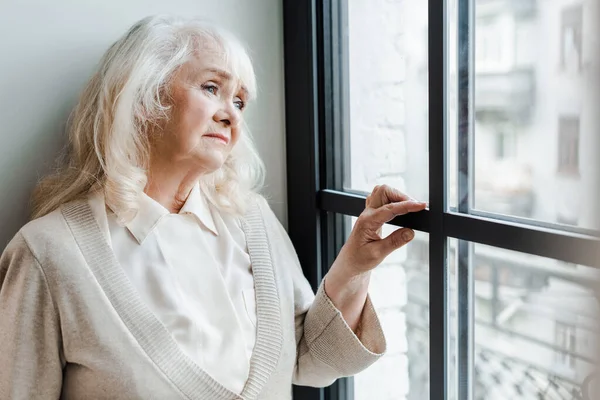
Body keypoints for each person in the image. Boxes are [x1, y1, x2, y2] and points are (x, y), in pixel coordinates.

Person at [0, 15, 427, 400]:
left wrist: (354, 266)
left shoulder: (254, 222)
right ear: (145, 97)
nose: (232, 116)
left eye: (240, 101)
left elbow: (309, 364)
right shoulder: (47, 253)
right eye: (211, 88)